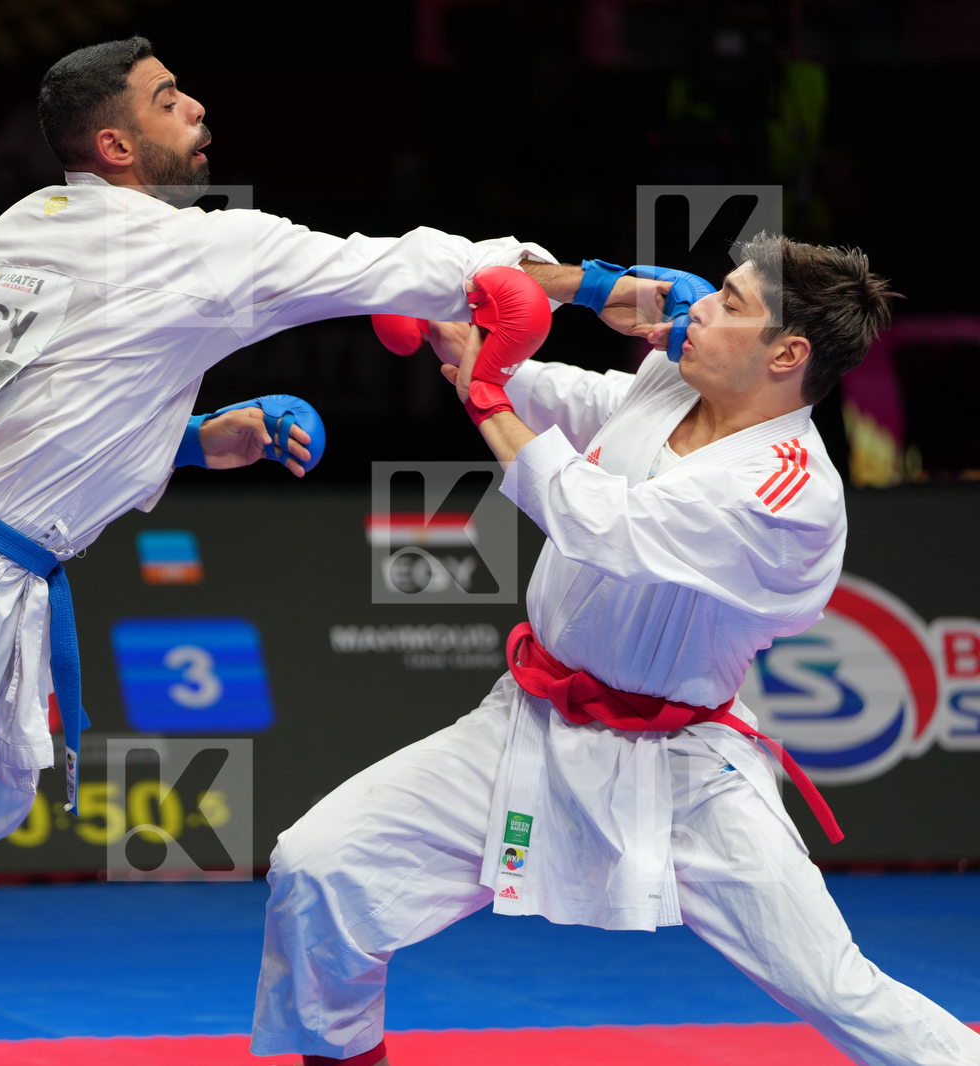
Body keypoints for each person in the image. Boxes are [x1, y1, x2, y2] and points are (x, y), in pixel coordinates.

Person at [0, 36, 665, 1066]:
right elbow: (413, 267)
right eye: (168, 98)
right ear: (114, 143)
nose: (197, 109)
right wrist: (596, 285)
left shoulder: (20, 227)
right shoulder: (195, 248)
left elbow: (19, 410)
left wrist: (192, 438)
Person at [250, 236, 980, 1066]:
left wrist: (487, 394)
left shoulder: (787, 493)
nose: (700, 305)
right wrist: (538, 314)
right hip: (526, 725)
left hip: (685, 773)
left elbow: (600, 521)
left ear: (788, 355)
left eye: (730, 303)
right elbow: (582, 401)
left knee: (835, 987)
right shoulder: (675, 380)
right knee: (316, 867)